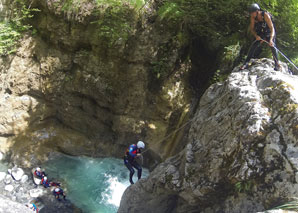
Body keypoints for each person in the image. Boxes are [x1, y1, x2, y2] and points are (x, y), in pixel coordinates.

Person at [241, 3, 281, 70]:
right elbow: (252, 29)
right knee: (253, 45)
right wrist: (256, 36)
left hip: (269, 32)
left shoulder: (265, 15)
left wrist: (271, 39)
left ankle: (277, 64)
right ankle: (246, 63)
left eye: (252, 13)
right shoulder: (253, 17)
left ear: (257, 11)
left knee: (273, 46)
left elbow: (272, 28)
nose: (251, 14)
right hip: (261, 33)